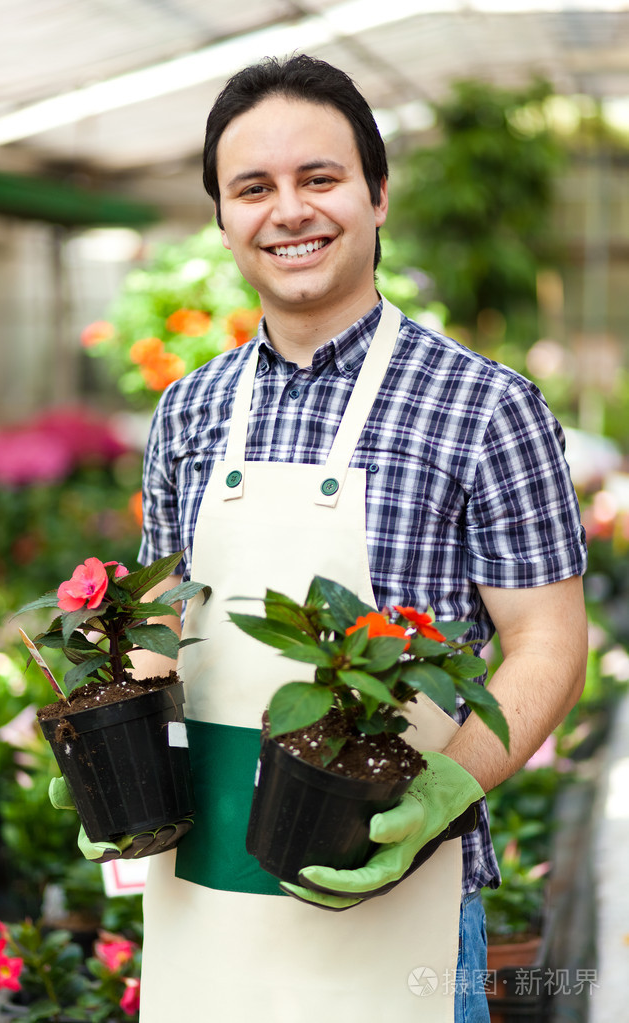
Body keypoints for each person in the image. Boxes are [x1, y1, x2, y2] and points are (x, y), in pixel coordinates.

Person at [131, 54, 588, 1022]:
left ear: (377, 195)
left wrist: (443, 791)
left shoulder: (485, 408)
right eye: (253, 188)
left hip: (402, 878)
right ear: (222, 217)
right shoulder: (188, 411)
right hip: (201, 882)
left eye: (320, 178)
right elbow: (162, 623)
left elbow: (547, 640)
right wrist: (109, 754)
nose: (288, 211)